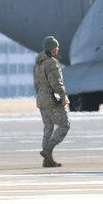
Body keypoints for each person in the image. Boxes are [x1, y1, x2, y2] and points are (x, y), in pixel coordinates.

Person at [33, 36, 69, 168]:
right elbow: (56, 82)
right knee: (64, 125)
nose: (58, 49)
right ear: (52, 48)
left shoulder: (38, 63)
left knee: (48, 127)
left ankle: (47, 160)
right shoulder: (52, 63)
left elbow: (36, 83)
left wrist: (40, 96)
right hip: (50, 98)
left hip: (41, 99)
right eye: (56, 47)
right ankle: (48, 150)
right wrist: (63, 97)